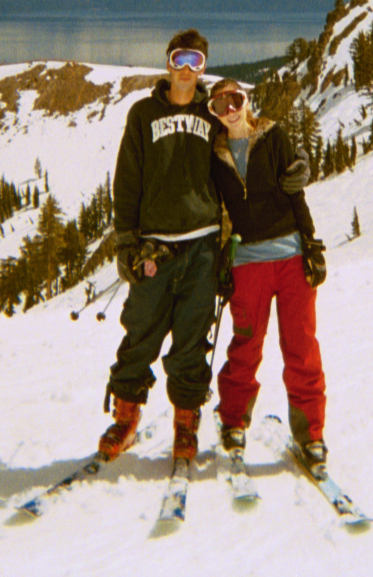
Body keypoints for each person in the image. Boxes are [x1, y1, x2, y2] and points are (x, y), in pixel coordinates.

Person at [98, 29, 223, 465]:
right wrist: (126, 242)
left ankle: (185, 423)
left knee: (192, 340)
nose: (187, 70)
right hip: (154, 250)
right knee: (140, 333)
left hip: (203, 246)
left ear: (203, 68)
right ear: (168, 64)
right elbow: (127, 180)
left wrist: (229, 244)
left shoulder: (212, 116)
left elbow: (230, 177)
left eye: (196, 61)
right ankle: (126, 417)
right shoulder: (142, 114)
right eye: (179, 59)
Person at [205, 76, 330, 469]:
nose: (229, 110)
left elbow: (295, 189)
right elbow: (219, 213)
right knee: (246, 345)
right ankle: (232, 422)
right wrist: (223, 261)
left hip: (290, 256)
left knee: (301, 346)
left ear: (247, 101)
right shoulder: (215, 154)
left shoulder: (273, 137)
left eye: (235, 100)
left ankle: (311, 434)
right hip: (247, 263)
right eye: (219, 105)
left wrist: (310, 244)